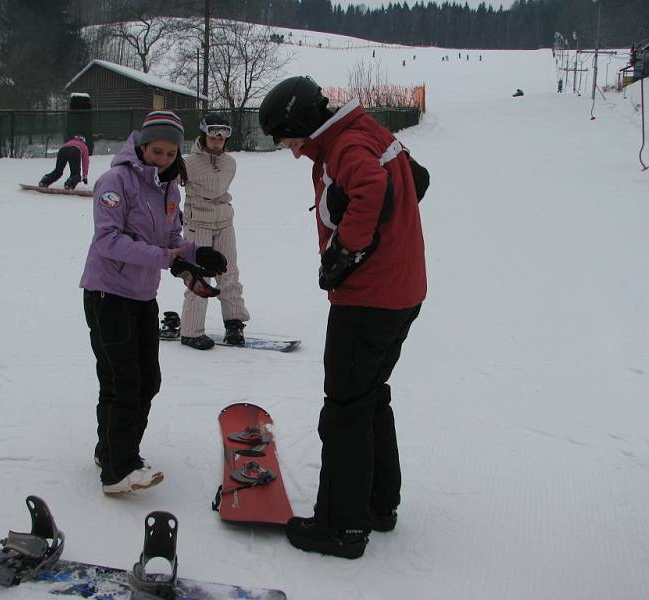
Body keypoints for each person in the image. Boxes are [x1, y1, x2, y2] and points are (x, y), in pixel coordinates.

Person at [259, 76, 426, 558]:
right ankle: (378, 505)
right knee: (369, 399)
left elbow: (372, 187)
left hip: (369, 300)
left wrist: (346, 252)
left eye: (289, 140)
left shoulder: (347, 144)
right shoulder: (367, 131)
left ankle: (342, 527)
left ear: (303, 123)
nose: (291, 151)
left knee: (345, 410)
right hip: (402, 291)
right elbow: (418, 178)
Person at [80, 110, 228, 495]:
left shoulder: (169, 188)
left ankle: (111, 449)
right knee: (124, 381)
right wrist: (169, 259)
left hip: (142, 295)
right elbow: (108, 241)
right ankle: (119, 470)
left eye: (169, 153)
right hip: (107, 294)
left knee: (146, 380)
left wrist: (197, 255)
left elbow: (171, 238)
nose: (162, 158)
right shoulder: (115, 182)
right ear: (141, 145)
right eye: (156, 150)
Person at [179, 113, 250, 350]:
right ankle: (191, 330)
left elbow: (218, 187)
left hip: (223, 222)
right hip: (197, 223)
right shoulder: (187, 163)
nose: (218, 138)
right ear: (204, 134)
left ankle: (234, 322)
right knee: (199, 275)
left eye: (224, 134)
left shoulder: (230, 163)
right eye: (213, 133)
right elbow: (168, 183)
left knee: (229, 271)